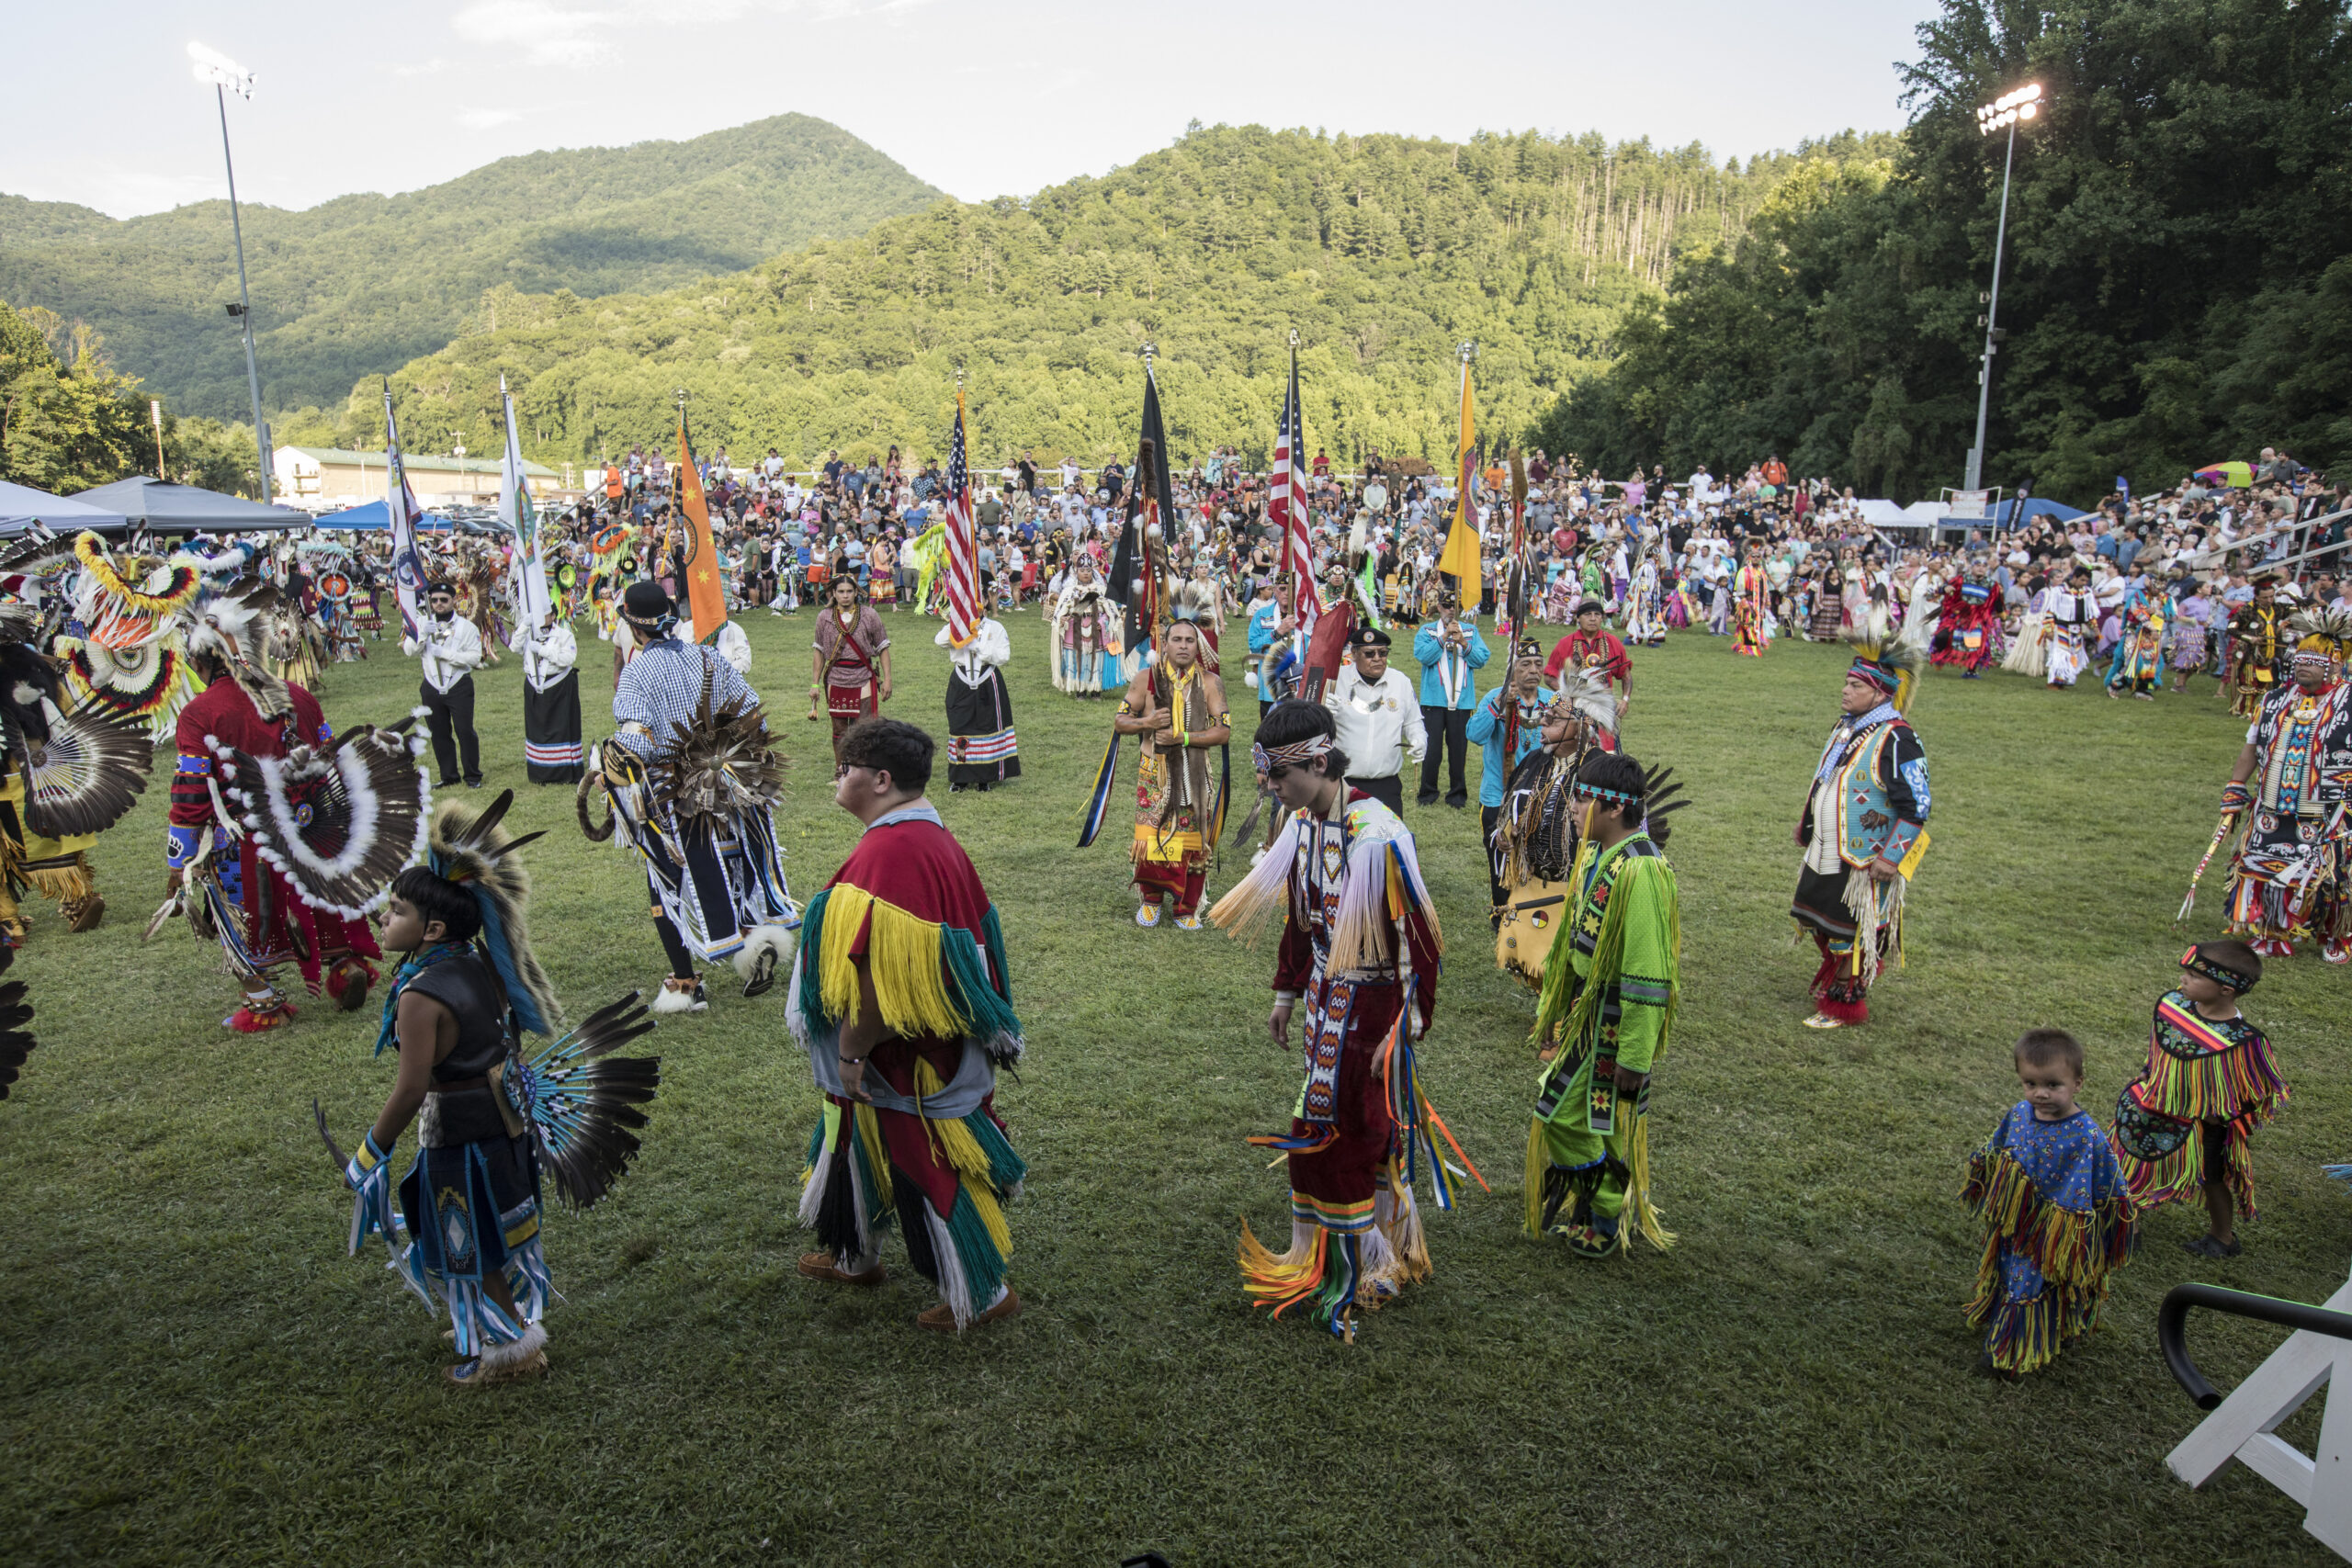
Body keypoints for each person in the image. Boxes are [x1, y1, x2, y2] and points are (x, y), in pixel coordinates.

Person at [331, 795, 661, 1386]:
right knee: (495, 1228)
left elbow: (411, 1090)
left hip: (456, 1138)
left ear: (431, 928)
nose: (383, 918)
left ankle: (509, 1346)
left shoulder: (418, 995)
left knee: (468, 1241)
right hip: (506, 1125)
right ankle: (496, 1322)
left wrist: (368, 1153)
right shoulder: (481, 961)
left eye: (395, 911)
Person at [1208, 700, 1442, 1342]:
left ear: (1317, 761)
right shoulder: (1303, 822)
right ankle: (1377, 1249)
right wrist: (1286, 993)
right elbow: (1300, 917)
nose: (1271, 788)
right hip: (1325, 1002)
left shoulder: (1378, 833)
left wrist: (1406, 1026)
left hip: (1372, 1010)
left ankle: (1364, 1260)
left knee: (1351, 1128)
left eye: (1279, 776)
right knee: (1350, 1125)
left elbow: (1416, 936)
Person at [789, 718, 1027, 1332]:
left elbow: (878, 982)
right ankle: (854, 1252)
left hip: (906, 1055)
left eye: (845, 768)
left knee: (922, 1159)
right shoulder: (922, 837)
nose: (837, 778)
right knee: (850, 1133)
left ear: (881, 779)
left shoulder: (893, 853)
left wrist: (851, 1050)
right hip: (909, 1047)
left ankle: (984, 1288)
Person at [164, 581, 397, 1032]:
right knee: (322, 897)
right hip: (313, 829)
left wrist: (180, 857)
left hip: (245, 840)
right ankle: (345, 966)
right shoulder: (300, 698)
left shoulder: (200, 713)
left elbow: (191, 793)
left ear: (203, 656)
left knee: (249, 911)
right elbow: (332, 764)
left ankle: (264, 1001)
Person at [586, 581, 797, 1013]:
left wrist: (606, 767)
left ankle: (686, 983)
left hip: (672, 795)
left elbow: (638, 740)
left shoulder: (638, 672)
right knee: (734, 862)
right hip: (728, 784)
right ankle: (755, 947)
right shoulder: (707, 655)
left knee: (665, 883)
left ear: (633, 626)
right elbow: (750, 711)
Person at [1523, 750, 1687, 1259]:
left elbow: (1648, 973)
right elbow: (1576, 940)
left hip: (1616, 1021)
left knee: (1562, 1116)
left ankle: (1609, 1201)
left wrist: (1636, 1057)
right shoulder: (1598, 855)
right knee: (1602, 1121)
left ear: (1613, 809)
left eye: (1582, 797)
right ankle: (1599, 1216)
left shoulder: (1641, 872)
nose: (1572, 806)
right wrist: (1557, 1010)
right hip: (1588, 1013)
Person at [1962, 1029, 2135, 1378]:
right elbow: (1999, 1149)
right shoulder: (2020, 1114)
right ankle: (2035, 1326)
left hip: (2062, 1231)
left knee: (2036, 1280)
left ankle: (2011, 1351)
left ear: (2078, 1084)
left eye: (2053, 1085)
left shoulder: (2086, 1134)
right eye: (2030, 1083)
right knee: (2011, 1273)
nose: (2039, 1093)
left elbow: (2109, 1180)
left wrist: (2113, 1221)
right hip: (2017, 1221)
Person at [2108, 942, 2286, 1262]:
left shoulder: (2241, 1041)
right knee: (2129, 1160)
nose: (2183, 979)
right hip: (2151, 1107)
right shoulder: (2172, 1005)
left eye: (2193, 975)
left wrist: (2221, 1114)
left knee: (2212, 1177)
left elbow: (2254, 1089)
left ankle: (2222, 1237)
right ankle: (2126, 1226)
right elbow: (2158, 1054)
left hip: (2207, 1124)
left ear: (2226, 989)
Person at [1790, 626, 1930, 1029]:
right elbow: (1826, 779)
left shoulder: (1899, 738)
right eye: (1846, 683)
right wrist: (1808, 824)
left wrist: (1892, 856)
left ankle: (1844, 1004)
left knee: (1848, 931)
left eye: (1855, 685)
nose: (1846, 691)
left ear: (1881, 693)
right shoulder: (1849, 726)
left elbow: (1917, 806)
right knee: (1820, 921)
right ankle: (1834, 982)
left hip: (1865, 857)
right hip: (1828, 847)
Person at [2214, 608, 2352, 960]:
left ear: (2336, 664)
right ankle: (2273, 931)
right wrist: (2235, 785)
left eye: (2313, 660)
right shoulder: (2275, 699)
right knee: (2265, 864)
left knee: (2333, 874)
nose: (2302, 666)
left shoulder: (2349, 701)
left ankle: (2337, 935)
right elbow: (2251, 746)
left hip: (2333, 808)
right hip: (2272, 804)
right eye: (2299, 659)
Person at [1112, 617, 1231, 929]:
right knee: (1151, 839)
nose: (1182, 646)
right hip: (1155, 772)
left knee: (1193, 842)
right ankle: (1151, 901)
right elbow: (1120, 722)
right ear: (1164, 644)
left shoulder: (1210, 682)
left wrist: (1184, 738)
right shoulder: (1145, 679)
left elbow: (1223, 732)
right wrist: (1147, 724)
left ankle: (1185, 908)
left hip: (1194, 770)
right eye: (1176, 639)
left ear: (1198, 645)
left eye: (1189, 640)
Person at [1467, 642, 1556, 916]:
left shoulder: (1552, 701)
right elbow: (1475, 734)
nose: (1533, 670)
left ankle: (1532, 911)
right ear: (1512, 669)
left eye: (1538, 664)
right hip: (1498, 794)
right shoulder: (1496, 697)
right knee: (1501, 855)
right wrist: (1500, 702)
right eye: (1525, 665)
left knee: (1540, 852)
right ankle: (1502, 911)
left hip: (1540, 793)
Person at [1324, 625, 1424, 813]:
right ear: (1353, 654)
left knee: (1387, 840)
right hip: (1342, 782)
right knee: (1340, 840)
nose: (1378, 659)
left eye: (1383, 653)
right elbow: (1312, 728)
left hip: (1386, 784)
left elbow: (1413, 721)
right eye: (1369, 654)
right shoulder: (1336, 680)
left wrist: (1419, 740)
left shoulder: (1400, 681)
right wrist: (1322, 711)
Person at [1413, 591, 1489, 807]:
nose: (1451, 611)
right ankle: (1428, 792)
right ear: (1439, 608)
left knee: (1459, 751)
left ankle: (1457, 794)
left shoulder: (1471, 631)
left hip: (1462, 701)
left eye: (1455, 607)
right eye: (1447, 606)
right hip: (1433, 702)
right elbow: (1423, 656)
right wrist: (1444, 637)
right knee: (1432, 750)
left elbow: (1481, 659)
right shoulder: (1426, 631)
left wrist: (1464, 643)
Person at [405, 582, 484, 789]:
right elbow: (409, 651)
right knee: (439, 732)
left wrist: (447, 655)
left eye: (443, 600)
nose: (438, 604)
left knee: (465, 730)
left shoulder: (466, 627)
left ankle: (472, 775)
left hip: (458, 684)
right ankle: (449, 775)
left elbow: (475, 657)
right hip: (431, 684)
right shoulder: (422, 623)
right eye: (434, 601)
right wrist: (422, 635)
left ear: (453, 601)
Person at [809, 576, 892, 761]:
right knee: (839, 730)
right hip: (836, 678)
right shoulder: (824, 617)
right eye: (841, 592)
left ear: (856, 592)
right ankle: (842, 771)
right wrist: (814, 685)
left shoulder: (870, 615)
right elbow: (819, 651)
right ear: (833, 594)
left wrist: (887, 679)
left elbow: (883, 647)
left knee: (864, 729)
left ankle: (863, 772)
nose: (845, 596)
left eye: (849, 591)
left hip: (863, 676)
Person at [936, 611, 1019, 792]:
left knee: (987, 726)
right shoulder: (957, 626)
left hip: (987, 679)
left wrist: (979, 647)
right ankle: (960, 778)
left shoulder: (995, 627)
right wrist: (960, 631)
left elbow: (1003, 656)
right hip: (961, 679)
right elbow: (940, 640)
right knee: (960, 726)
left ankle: (985, 777)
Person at [1542, 599, 1630, 747]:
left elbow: (1626, 674)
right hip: (1573, 713)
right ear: (1579, 618)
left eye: (1597, 614)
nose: (1593, 618)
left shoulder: (1613, 642)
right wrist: (1570, 695)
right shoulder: (1565, 643)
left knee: (1606, 757)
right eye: (1588, 614)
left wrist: (1625, 700)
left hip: (1603, 711)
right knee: (1574, 753)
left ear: (1602, 618)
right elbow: (1549, 677)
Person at [511, 608, 583, 784]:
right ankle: (540, 771)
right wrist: (523, 626)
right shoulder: (529, 633)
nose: (540, 618)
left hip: (558, 686)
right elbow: (514, 647)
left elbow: (568, 659)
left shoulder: (563, 635)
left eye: (544, 614)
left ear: (553, 616)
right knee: (537, 730)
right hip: (535, 687)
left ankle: (562, 772)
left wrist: (542, 650)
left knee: (561, 729)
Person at [1051, 557, 1116, 697]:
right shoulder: (1069, 591)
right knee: (1077, 660)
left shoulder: (1101, 590)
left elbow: (1111, 613)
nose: (1085, 573)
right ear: (1076, 572)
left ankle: (1096, 690)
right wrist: (1062, 620)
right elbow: (1059, 614)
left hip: (1096, 632)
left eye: (1088, 570)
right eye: (1082, 570)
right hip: (1074, 633)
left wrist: (1102, 623)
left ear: (1093, 572)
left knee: (1097, 661)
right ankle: (1080, 690)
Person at [1731, 539, 1772, 656]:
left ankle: (1755, 643)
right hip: (1747, 601)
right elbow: (1739, 589)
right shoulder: (1743, 571)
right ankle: (1747, 647)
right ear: (1749, 557)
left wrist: (1767, 599)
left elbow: (1765, 587)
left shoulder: (1762, 572)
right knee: (1746, 623)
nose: (1755, 558)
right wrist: (1743, 601)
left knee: (1758, 623)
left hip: (1759, 603)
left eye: (1758, 556)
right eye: (1753, 556)